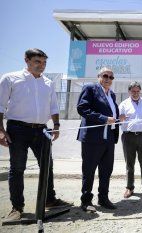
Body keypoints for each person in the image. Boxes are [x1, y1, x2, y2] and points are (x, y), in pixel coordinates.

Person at [0, 48, 72, 221]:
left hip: (41, 130)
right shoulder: (10, 78)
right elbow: (0, 106)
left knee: (47, 165)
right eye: (38, 62)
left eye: (44, 62)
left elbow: (53, 106)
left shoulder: (48, 82)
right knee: (17, 168)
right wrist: (1, 131)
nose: (42, 66)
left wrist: (56, 124)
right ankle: (17, 207)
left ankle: (49, 200)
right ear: (27, 60)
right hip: (17, 129)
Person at [77, 67, 119, 212]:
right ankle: (86, 200)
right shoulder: (90, 88)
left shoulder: (112, 94)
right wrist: (103, 119)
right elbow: (82, 108)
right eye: (105, 75)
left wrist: (119, 118)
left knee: (106, 170)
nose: (108, 79)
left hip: (109, 138)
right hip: (93, 138)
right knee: (89, 170)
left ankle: (103, 198)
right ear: (99, 76)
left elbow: (111, 114)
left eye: (111, 77)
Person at [119, 81, 142, 199]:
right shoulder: (123, 104)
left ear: (140, 91)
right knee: (129, 164)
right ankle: (130, 188)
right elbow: (118, 121)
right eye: (133, 91)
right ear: (129, 91)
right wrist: (120, 119)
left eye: (137, 91)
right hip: (128, 137)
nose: (135, 93)